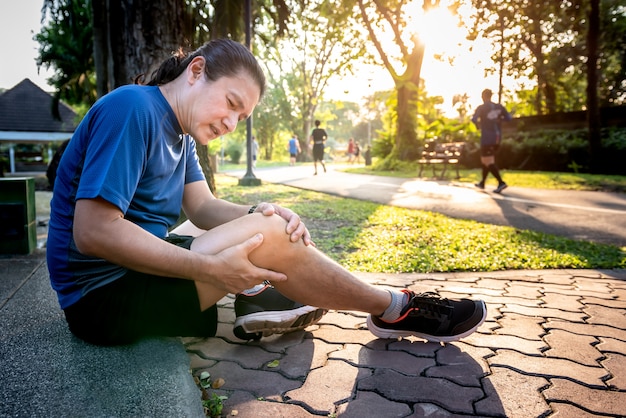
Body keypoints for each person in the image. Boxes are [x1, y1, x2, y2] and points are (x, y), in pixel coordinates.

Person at [47, 38, 486, 347]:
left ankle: (266, 296)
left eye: (243, 117)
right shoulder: (133, 109)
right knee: (270, 237)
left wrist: (260, 208)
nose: (231, 124)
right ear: (196, 70)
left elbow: (201, 207)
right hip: (101, 300)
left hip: (134, 278)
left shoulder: (180, 137)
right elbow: (95, 232)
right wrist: (211, 267)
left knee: (271, 225)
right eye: (232, 103)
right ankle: (396, 307)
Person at [471, 88, 512, 193]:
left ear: (483, 96)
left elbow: (474, 119)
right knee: (486, 161)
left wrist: (478, 126)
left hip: (487, 137)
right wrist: (498, 120)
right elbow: (508, 118)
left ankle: (501, 182)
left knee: (487, 161)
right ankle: (482, 183)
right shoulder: (499, 107)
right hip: (497, 137)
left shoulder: (481, 108)